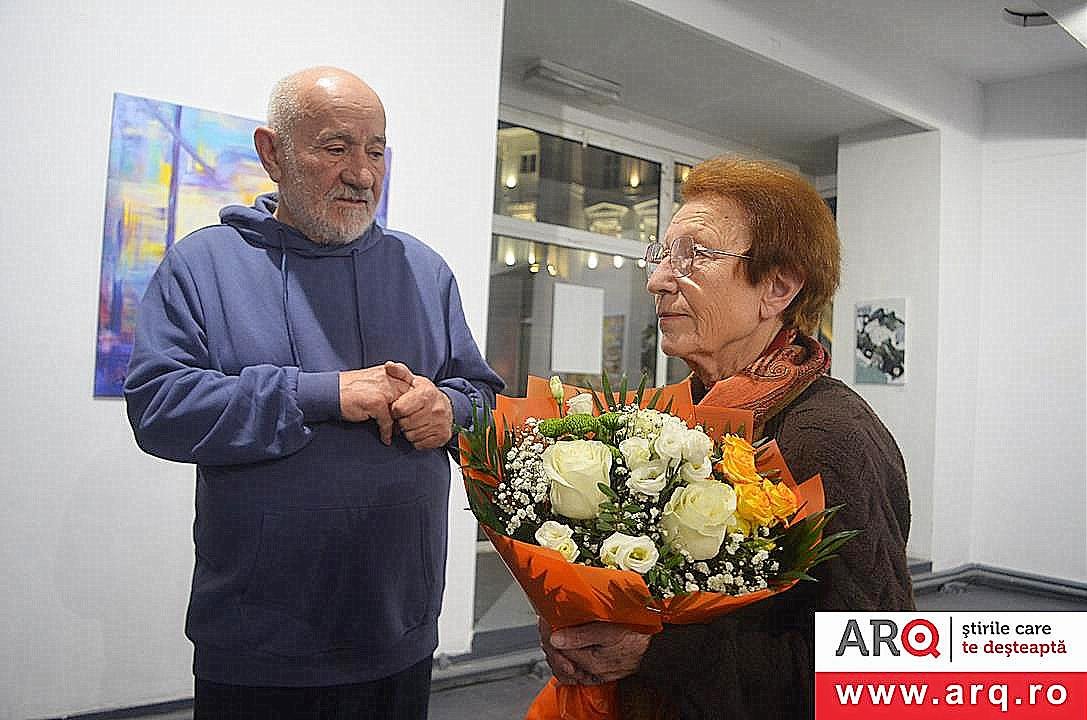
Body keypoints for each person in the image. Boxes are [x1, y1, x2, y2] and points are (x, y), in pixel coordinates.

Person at [124, 66, 503, 719]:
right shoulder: (203, 264)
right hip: (259, 642)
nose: (362, 173)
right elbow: (159, 407)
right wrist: (325, 394)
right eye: (335, 147)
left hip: (400, 630)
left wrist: (451, 409)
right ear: (272, 153)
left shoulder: (424, 271)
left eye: (376, 151)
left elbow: (483, 399)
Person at [538, 156, 914, 719]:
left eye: (694, 255)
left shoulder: (832, 437)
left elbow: (876, 672)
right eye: (663, 254)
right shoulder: (674, 417)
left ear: (778, 288)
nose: (658, 279)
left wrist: (658, 653)